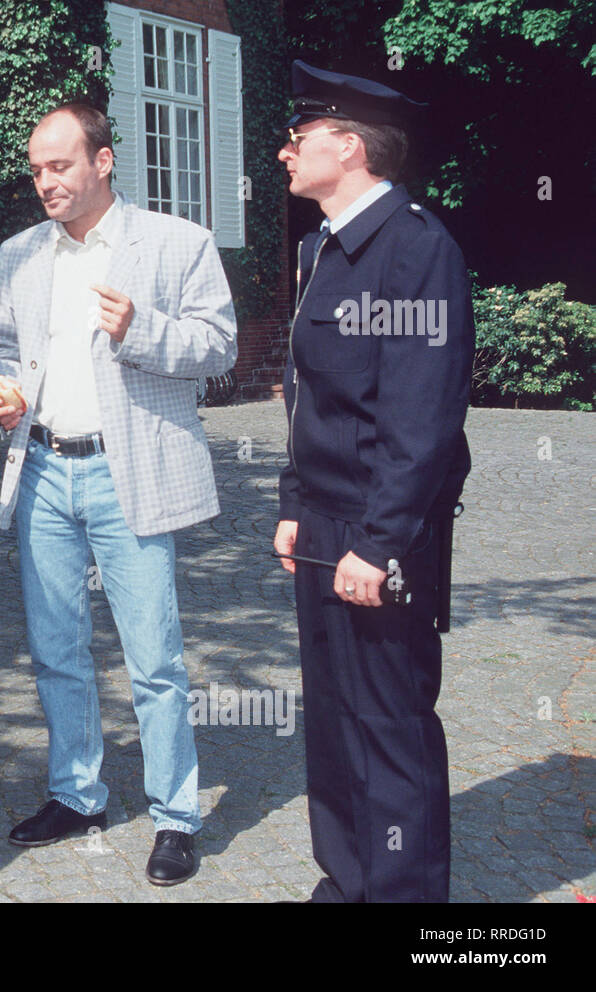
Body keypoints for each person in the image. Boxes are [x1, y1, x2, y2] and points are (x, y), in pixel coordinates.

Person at [0, 103, 237, 886]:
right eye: (35, 168)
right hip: (44, 475)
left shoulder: (177, 242)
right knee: (57, 648)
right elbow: (1, 347)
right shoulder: (19, 253)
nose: (44, 181)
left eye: (59, 165)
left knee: (153, 656)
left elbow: (219, 346)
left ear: (104, 160)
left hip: (131, 475)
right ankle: (77, 794)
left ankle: (175, 817)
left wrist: (142, 328)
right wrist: (6, 393)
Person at [273, 61, 474, 902]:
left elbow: (421, 420)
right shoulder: (323, 246)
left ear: (349, 146)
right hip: (322, 524)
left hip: (377, 532)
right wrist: (292, 507)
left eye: (300, 136)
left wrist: (380, 543)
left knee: (388, 724)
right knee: (333, 721)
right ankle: (347, 879)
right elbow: (312, 394)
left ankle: (402, 897)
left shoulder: (416, 248)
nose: (285, 151)